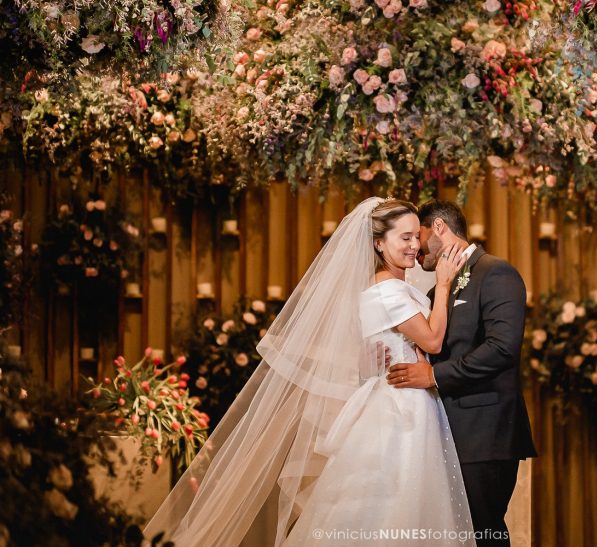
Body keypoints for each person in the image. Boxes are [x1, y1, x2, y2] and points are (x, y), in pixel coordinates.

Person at [143, 197, 476, 546]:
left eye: (414, 237)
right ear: (379, 243)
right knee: (391, 507)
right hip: (399, 410)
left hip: (411, 402)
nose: (414, 246)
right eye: (404, 238)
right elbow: (434, 340)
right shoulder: (385, 292)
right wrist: (441, 284)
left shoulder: (397, 288)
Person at [387, 200, 537, 547]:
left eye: (417, 235)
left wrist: (434, 376)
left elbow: (502, 347)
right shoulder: (432, 290)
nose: (414, 247)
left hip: (484, 433)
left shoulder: (495, 272)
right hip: (439, 433)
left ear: (438, 227)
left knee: (482, 532)